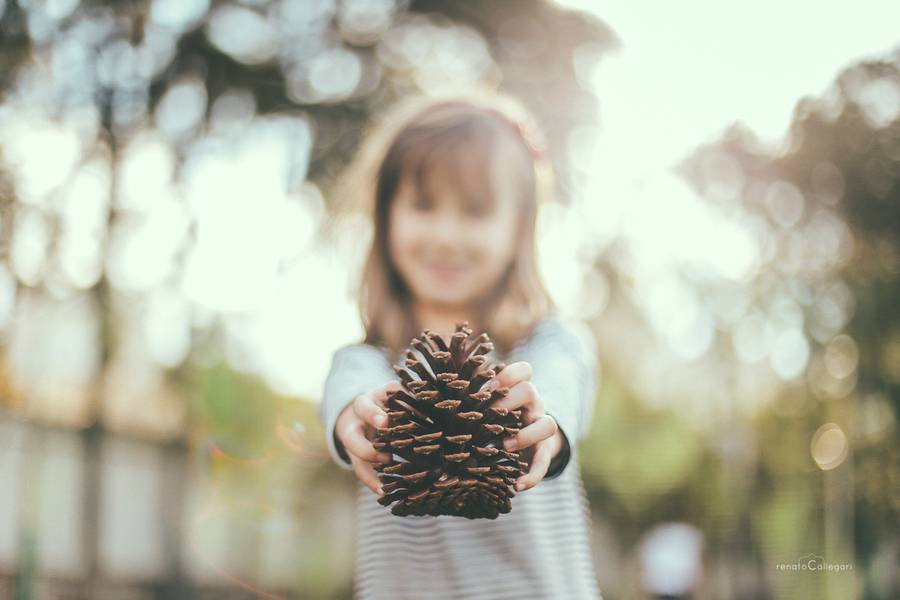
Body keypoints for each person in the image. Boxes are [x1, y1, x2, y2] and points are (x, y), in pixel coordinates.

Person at [319, 88, 602, 600]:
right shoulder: (366, 364)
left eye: (475, 210)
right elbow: (350, 397)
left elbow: (557, 393)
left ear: (518, 229)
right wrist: (356, 421)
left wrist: (542, 422)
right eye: (424, 205)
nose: (447, 236)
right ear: (385, 216)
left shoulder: (552, 345)